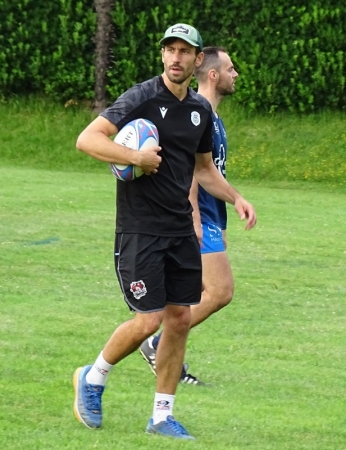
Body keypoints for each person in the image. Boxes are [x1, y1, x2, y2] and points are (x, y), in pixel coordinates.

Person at [73, 24, 256, 441]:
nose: (175, 58)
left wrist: (236, 198)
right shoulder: (140, 98)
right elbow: (88, 140)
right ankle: (93, 375)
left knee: (177, 319)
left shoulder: (200, 111)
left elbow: (204, 168)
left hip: (179, 230)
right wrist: (135, 156)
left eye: (184, 52)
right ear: (162, 56)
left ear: (196, 62)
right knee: (149, 318)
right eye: (169, 50)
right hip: (140, 229)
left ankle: (161, 416)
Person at [139, 46, 244, 385]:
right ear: (212, 75)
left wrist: (222, 221)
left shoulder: (212, 117)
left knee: (190, 294)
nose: (235, 74)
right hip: (194, 220)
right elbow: (191, 175)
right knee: (219, 291)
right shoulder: (197, 115)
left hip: (211, 219)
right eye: (230, 69)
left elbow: (212, 172)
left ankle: (167, 358)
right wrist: (196, 219)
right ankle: (156, 343)